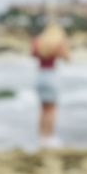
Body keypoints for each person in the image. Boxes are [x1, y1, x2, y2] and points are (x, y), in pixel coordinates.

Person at [31, 19, 71, 147]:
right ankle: (50, 137)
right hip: (51, 76)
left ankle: (42, 137)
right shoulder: (58, 43)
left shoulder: (38, 41)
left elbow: (32, 54)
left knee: (43, 109)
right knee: (51, 110)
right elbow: (67, 58)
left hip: (39, 75)